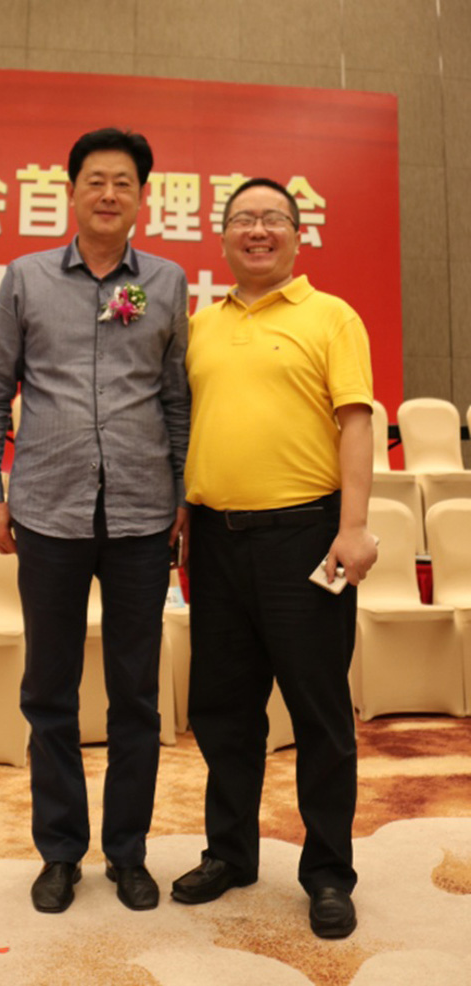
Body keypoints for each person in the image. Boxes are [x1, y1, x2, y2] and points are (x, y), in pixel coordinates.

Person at [0, 128, 190, 914]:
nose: (108, 194)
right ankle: (60, 853)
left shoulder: (165, 281)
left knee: (136, 696)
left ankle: (128, 854)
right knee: (50, 692)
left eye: (123, 182)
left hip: (141, 516)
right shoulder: (26, 277)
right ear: (70, 192)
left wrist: (182, 496)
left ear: (142, 198)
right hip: (47, 513)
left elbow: (177, 399)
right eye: (95, 180)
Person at [171, 178, 377, 939]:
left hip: (305, 538)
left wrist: (354, 527)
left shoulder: (331, 316)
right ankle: (230, 854)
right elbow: (181, 426)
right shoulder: (199, 326)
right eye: (243, 220)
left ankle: (327, 874)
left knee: (319, 713)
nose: (257, 231)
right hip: (214, 540)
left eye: (273, 220)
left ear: (297, 234)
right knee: (222, 710)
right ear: (223, 237)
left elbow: (356, 423)